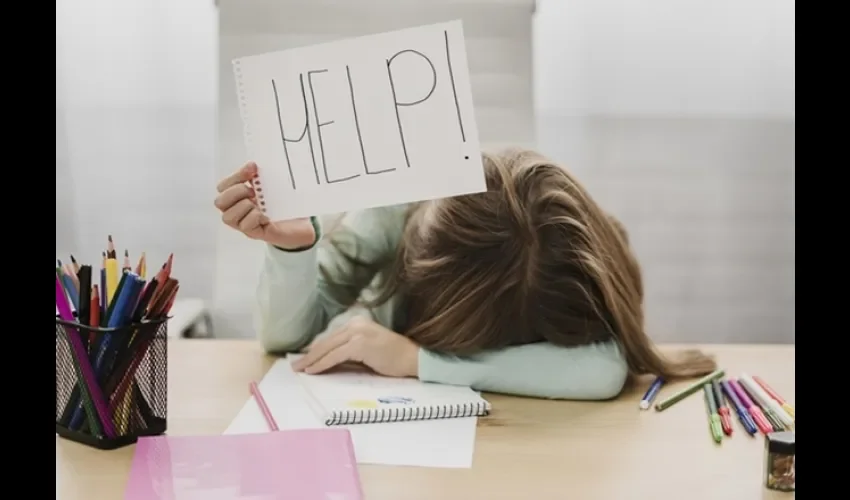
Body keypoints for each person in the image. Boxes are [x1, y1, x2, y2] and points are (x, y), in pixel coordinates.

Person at [214, 149, 716, 400]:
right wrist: (294, 249)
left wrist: (420, 362)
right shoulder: (398, 210)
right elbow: (283, 339)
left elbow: (603, 370)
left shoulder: (562, 258)